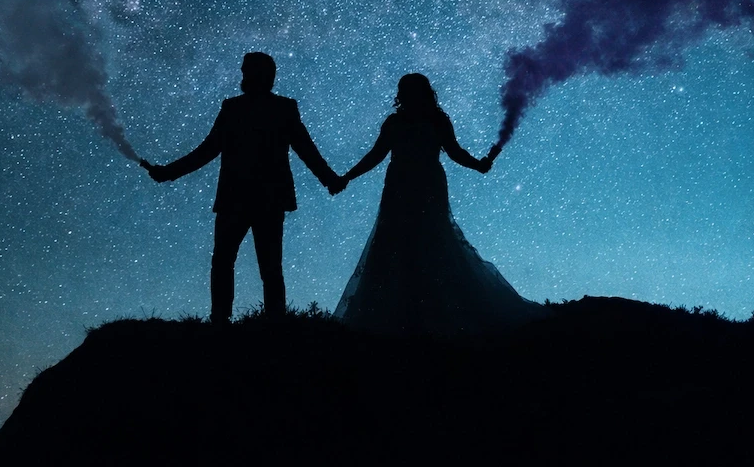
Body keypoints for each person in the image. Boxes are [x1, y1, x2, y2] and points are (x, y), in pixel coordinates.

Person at [332, 73, 547, 334]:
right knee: (406, 240)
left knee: (422, 239)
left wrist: (477, 164)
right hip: (406, 187)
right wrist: (348, 176)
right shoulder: (412, 121)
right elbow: (378, 155)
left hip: (419, 186)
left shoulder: (421, 121)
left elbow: (449, 152)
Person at [141, 52, 343, 321]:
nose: (243, 75)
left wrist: (168, 173)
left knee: (229, 262)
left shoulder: (237, 108)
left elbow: (208, 150)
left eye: (246, 71)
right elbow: (305, 149)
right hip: (266, 197)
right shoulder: (279, 108)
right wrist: (329, 179)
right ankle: (270, 323)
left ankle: (224, 322)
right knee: (263, 265)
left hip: (237, 196)